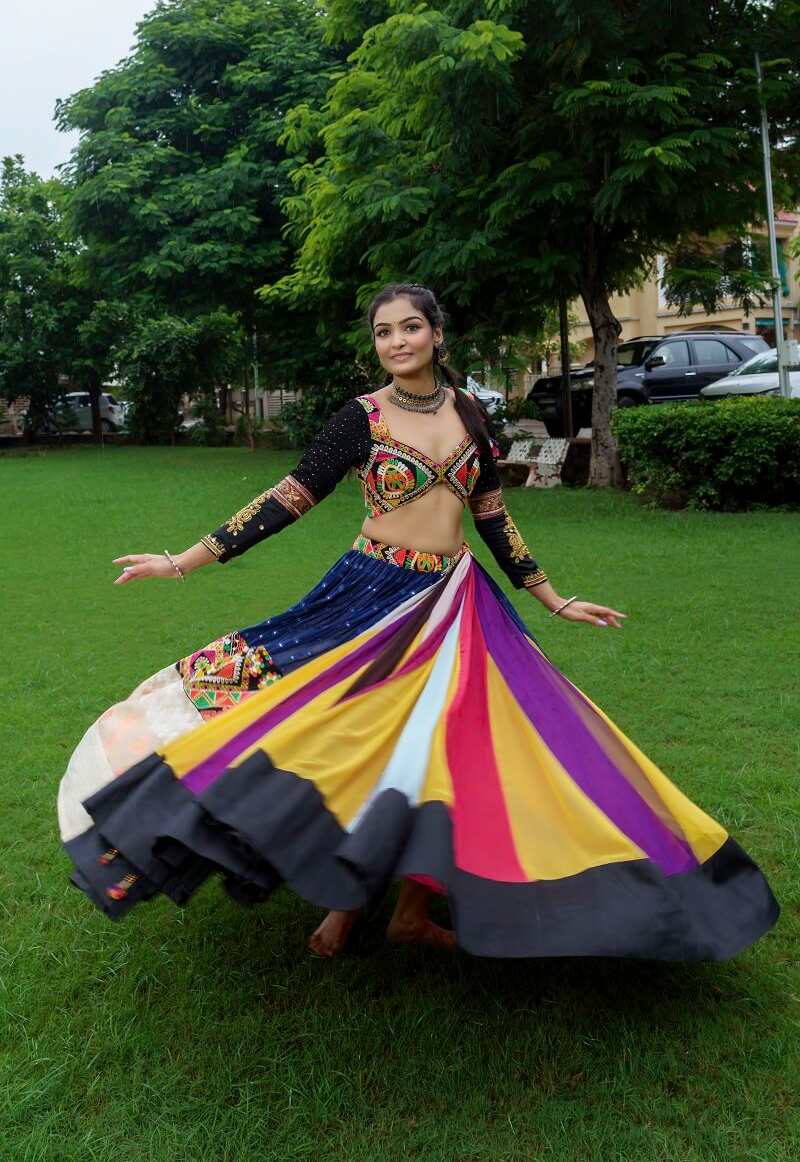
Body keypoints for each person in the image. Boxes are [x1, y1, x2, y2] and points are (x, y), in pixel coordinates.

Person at [60, 284, 779, 960]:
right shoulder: (362, 417)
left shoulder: (469, 412)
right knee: (343, 735)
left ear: (436, 334)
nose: (397, 341)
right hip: (368, 595)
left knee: (446, 751)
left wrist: (551, 597)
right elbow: (289, 497)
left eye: (410, 327)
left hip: (457, 600)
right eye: (383, 332)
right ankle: (346, 896)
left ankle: (407, 913)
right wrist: (185, 560)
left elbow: (492, 515)